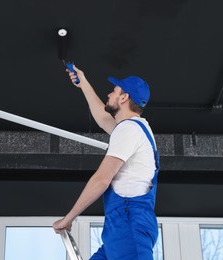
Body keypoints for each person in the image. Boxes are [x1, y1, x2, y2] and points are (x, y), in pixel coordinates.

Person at [53, 65, 160, 260]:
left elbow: (101, 180)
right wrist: (83, 83)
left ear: (124, 97)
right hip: (121, 227)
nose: (109, 94)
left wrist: (69, 218)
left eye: (114, 91)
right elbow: (103, 118)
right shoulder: (132, 129)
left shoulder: (129, 130)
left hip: (129, 225)